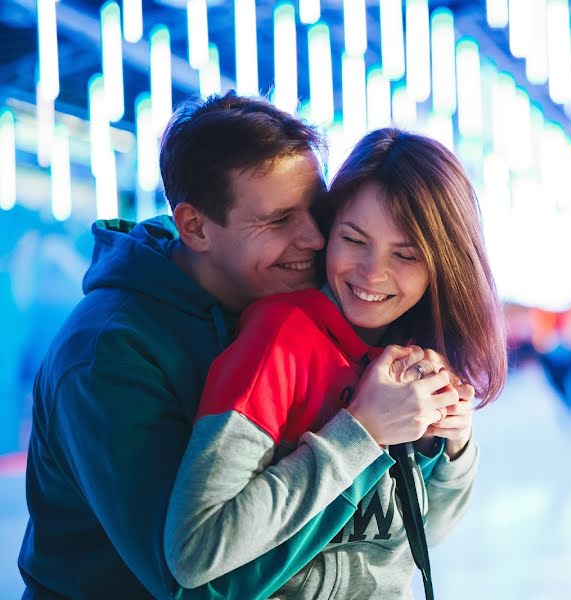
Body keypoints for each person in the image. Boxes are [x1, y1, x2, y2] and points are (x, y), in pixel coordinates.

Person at [17, 93, 458, 598]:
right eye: (278, 220)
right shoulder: (106, 358)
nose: (316, 238)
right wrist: (362, 437)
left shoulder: (293, 299)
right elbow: (198, 585)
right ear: (196, 227)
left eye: (317, 210)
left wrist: (438, 445)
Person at [164, 128, 508, 599]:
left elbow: (407, 544)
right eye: (353, 239)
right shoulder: (281, 338)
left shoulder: (418, 355)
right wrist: (361, 432)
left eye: (405, 254)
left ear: (443, 266)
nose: (371, 273)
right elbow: (195, 550)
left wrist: (454, 449)